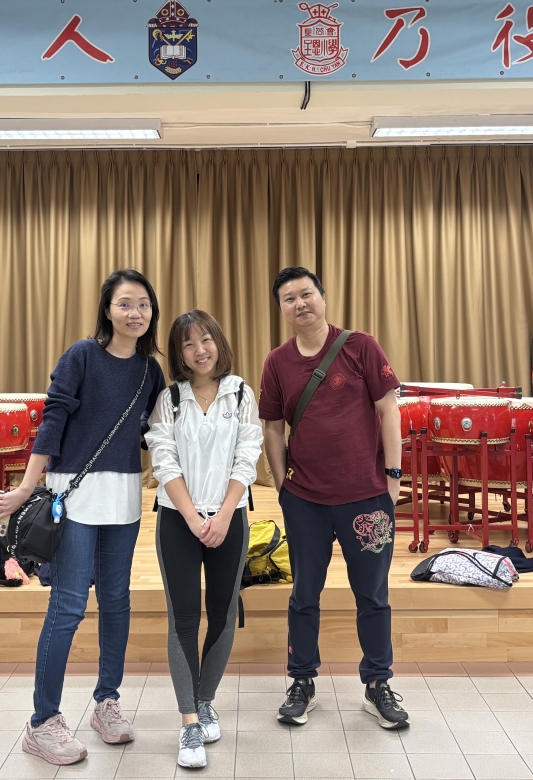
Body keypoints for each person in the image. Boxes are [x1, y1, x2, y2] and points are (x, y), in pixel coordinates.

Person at [0, 269, 167, 766]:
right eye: (125, 303)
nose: (136, 313)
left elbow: (155, 431)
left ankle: (107, 702)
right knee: (67, 605)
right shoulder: (82, 356)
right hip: (74, 497)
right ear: (107, 309)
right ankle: (42, 722)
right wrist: (27, 486)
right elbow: (54, 419)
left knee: (116, 601)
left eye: (144, 304)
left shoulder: (150, 371)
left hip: (124, 499)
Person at [258, 266, 408, 730]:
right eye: (289, 298)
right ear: (281, 309)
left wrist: (393, 478)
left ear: (322, 297)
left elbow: (389, 411)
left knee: (373, 595)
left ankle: (378, 684)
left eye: (306, 294)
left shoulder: (361, 346)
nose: (300, 303)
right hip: (305, 500)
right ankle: (301, 681)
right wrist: (281, 485)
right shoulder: (277, 362)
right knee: (304, 594)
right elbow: (272, 428)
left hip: (367, 498)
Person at [144, 310, 262, 769]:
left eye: (206, 339)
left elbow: (247, 456)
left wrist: (225, 513)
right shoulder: (169, 399)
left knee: (223, 613)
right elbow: (164, 460)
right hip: (178, 520)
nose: (200, 350)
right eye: (188, 343)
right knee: (184, 618)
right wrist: (194, 518)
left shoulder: (241, 393)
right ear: (179, 353)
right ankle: (189, 721)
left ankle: (206, 699)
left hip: (230, 517)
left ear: (219, 342)